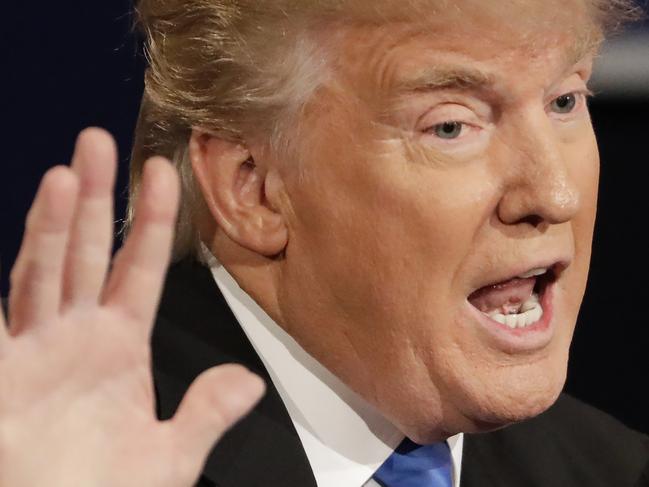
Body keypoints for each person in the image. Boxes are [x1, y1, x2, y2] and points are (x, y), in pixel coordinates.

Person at [0, 0, 648, 486]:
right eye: (450, 126)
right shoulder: (68, 456)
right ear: (253, 188)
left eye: (564, 101)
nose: (554, 194)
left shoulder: (611, 469)